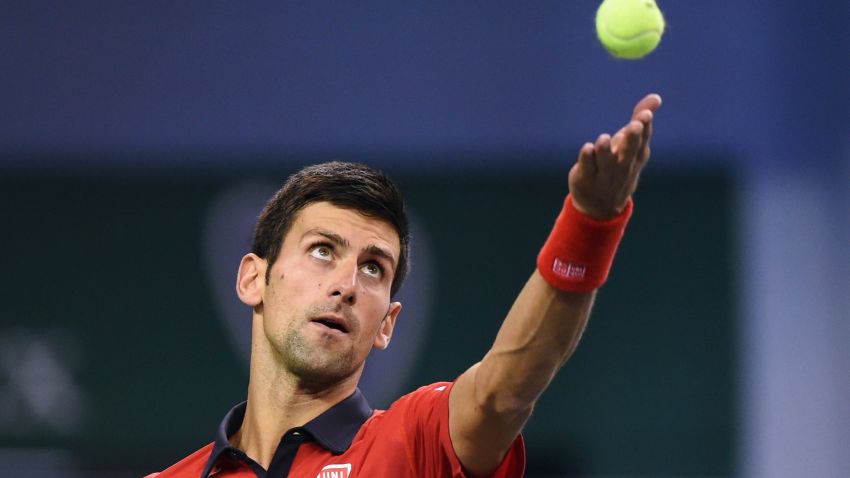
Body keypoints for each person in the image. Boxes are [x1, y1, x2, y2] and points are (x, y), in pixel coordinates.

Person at [148, 93, 662, 478]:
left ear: (387, 324)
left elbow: (502, 394)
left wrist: (590, 225)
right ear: (253, 278)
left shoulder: (415, 443)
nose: (346, 284)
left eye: (373, 268)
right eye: (323, 250)